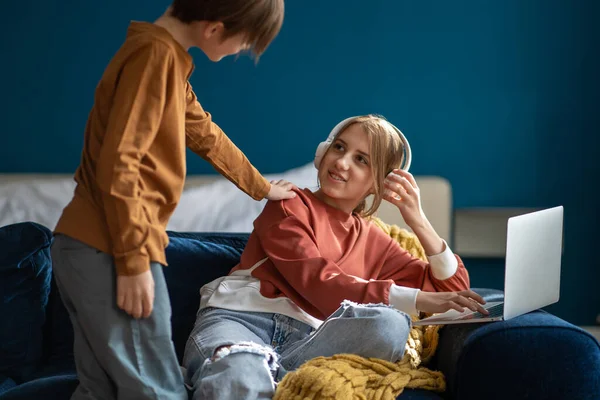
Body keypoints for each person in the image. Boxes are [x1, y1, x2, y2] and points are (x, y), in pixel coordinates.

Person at [50, 1, 291, 399]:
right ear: (214, 29)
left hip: (83, 246)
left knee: (102, 389)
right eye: (244, 43)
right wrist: (133, 262)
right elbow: (121, 164)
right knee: (157, 389)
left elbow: (203, 133)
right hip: (109, 248)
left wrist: (262, 188)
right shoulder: (155, 58)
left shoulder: (162, 58)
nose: (240, 52)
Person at [182, 114, 488, 400]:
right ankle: (245, 371)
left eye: (361, 160)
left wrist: (418, 220)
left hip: (308, 341)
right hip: (242, 320)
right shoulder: (288, 204)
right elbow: (319, 283)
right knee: (240, 374)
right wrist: (418, 299)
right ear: (322, 153)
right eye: (339, 147)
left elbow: (451, 292)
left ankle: (272, 377)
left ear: (379, 184)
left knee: (389, 324)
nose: (341, 162)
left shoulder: (374, 239)